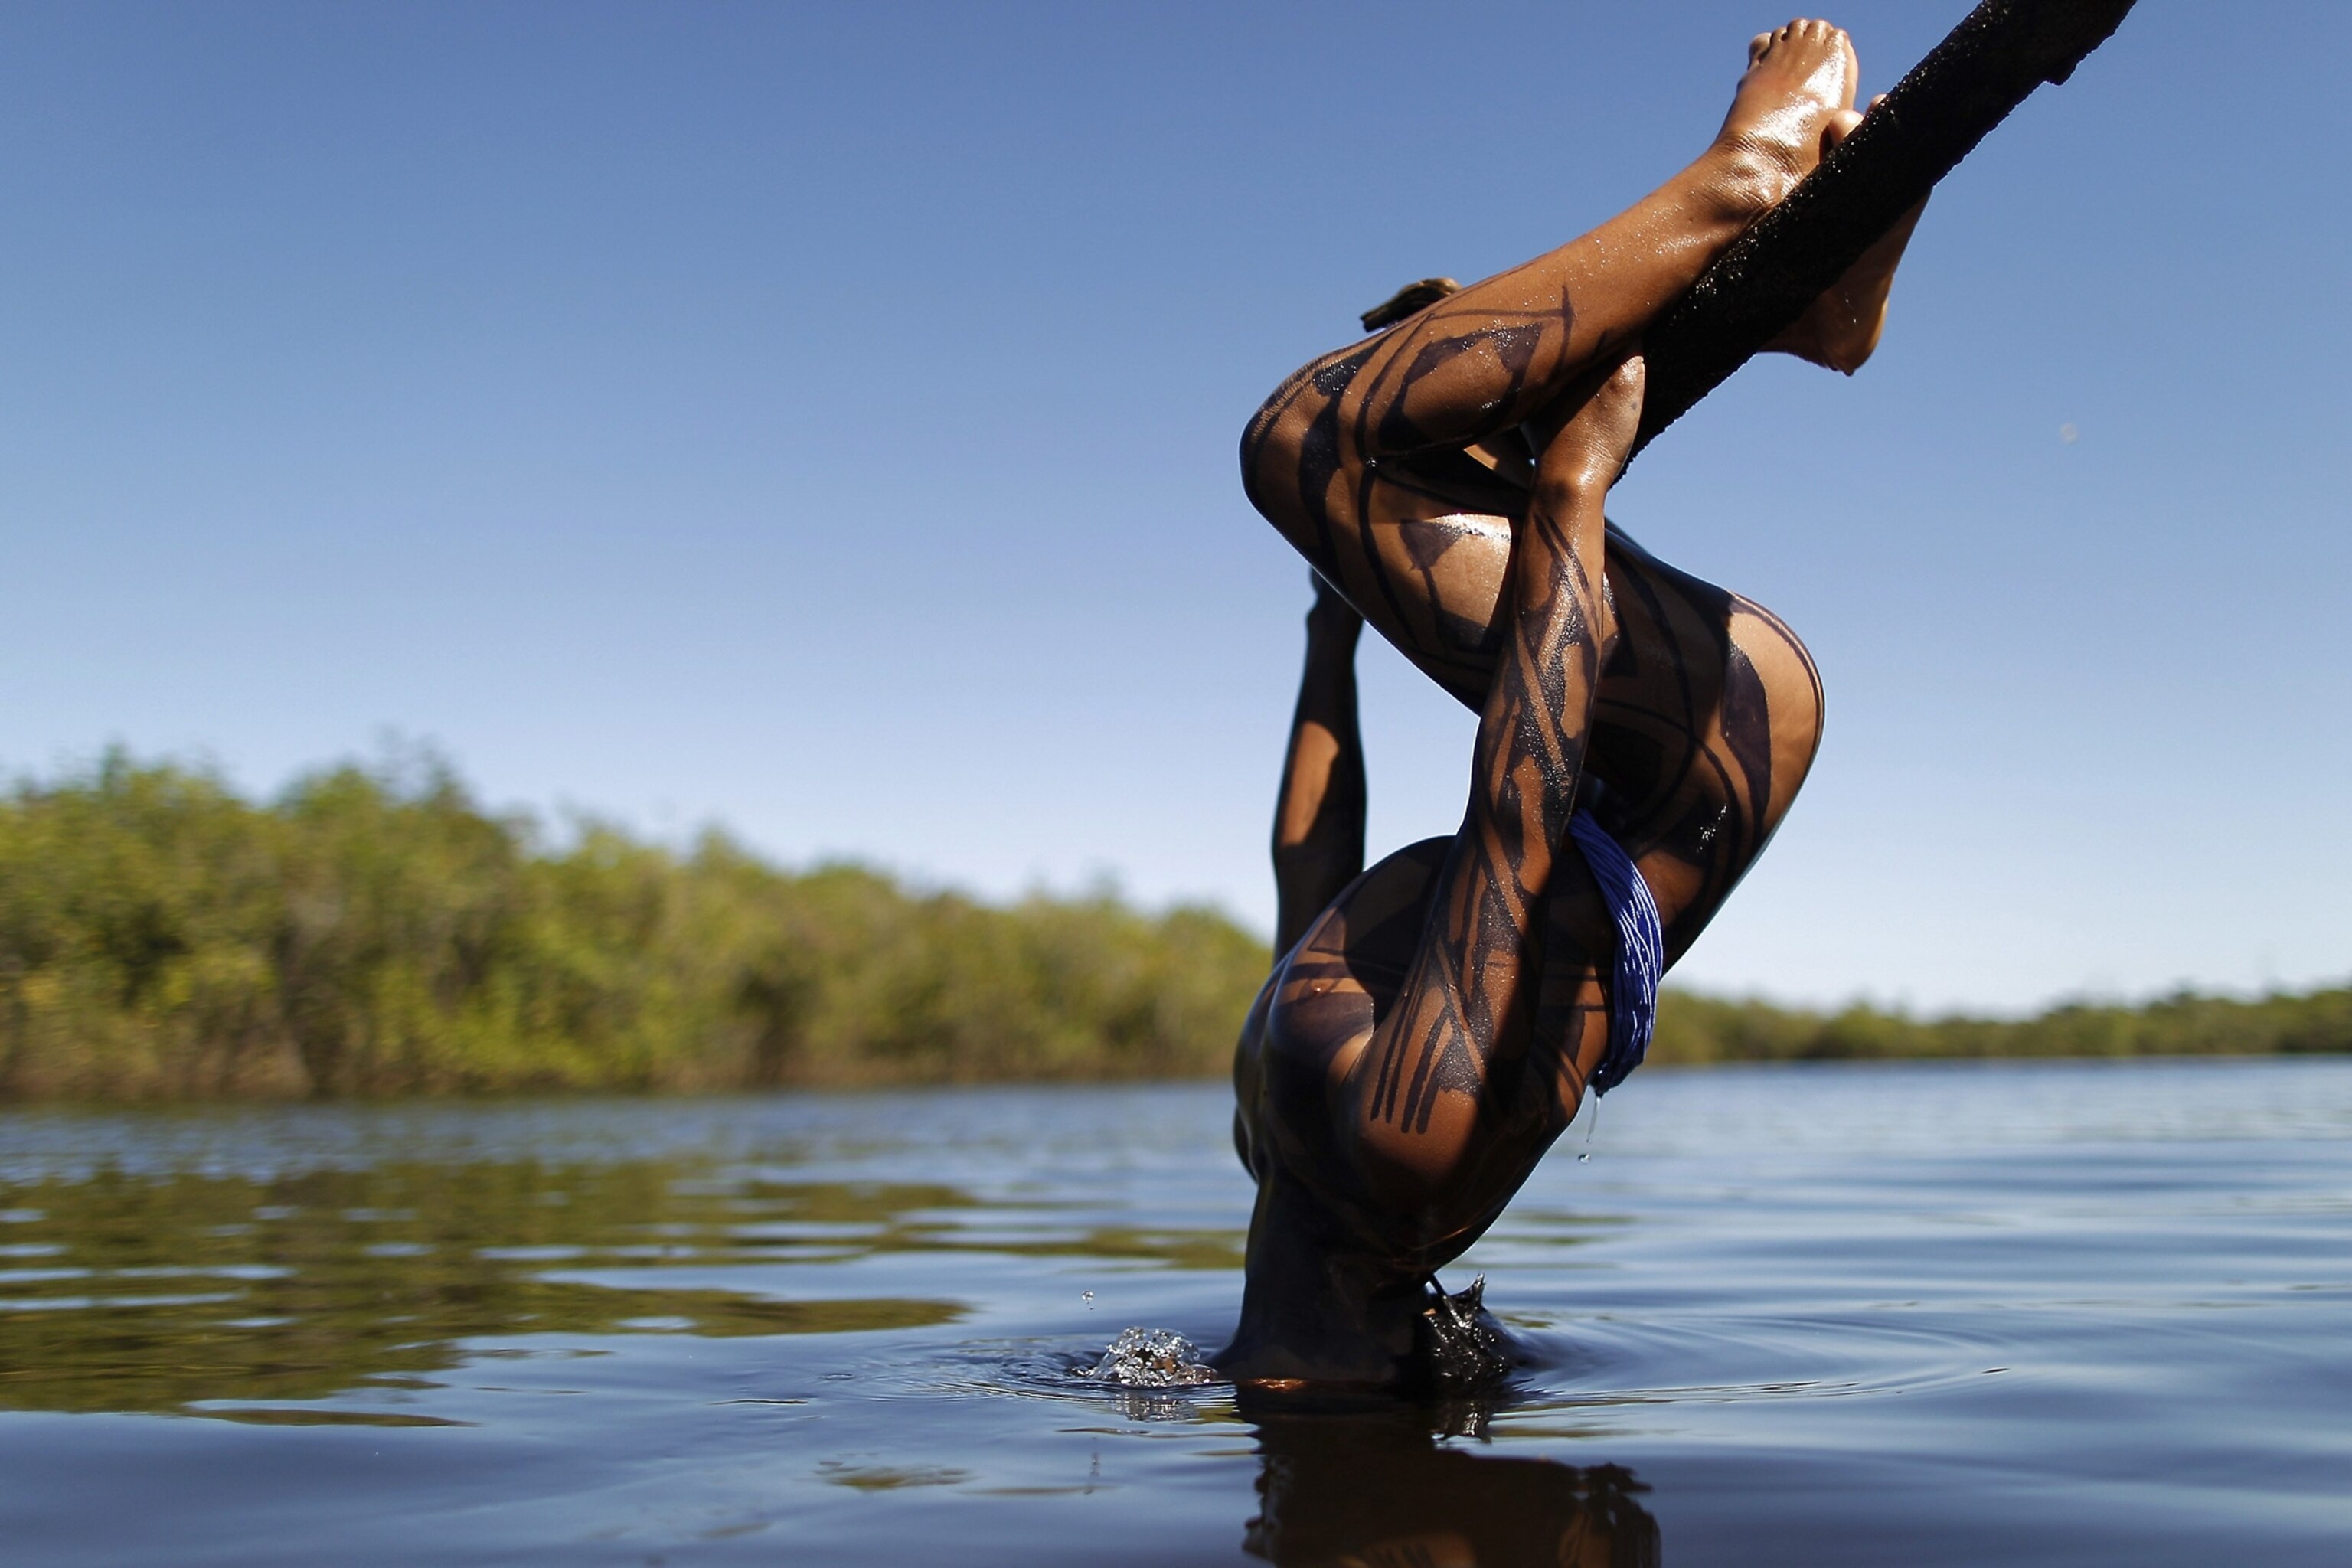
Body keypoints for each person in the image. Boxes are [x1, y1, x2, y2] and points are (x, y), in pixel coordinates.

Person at [1218, 20, 1922, 1387]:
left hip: (1626, 742)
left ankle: (1810, 314)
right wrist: (1569, 497)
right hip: (1702, 750)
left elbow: (1310, 869)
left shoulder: (1279, 1151)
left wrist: (1333, 621)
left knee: (1356, 467)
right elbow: (1515, 816)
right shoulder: (1406, 1143)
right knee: (1304, 443)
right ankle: (1747, 177)